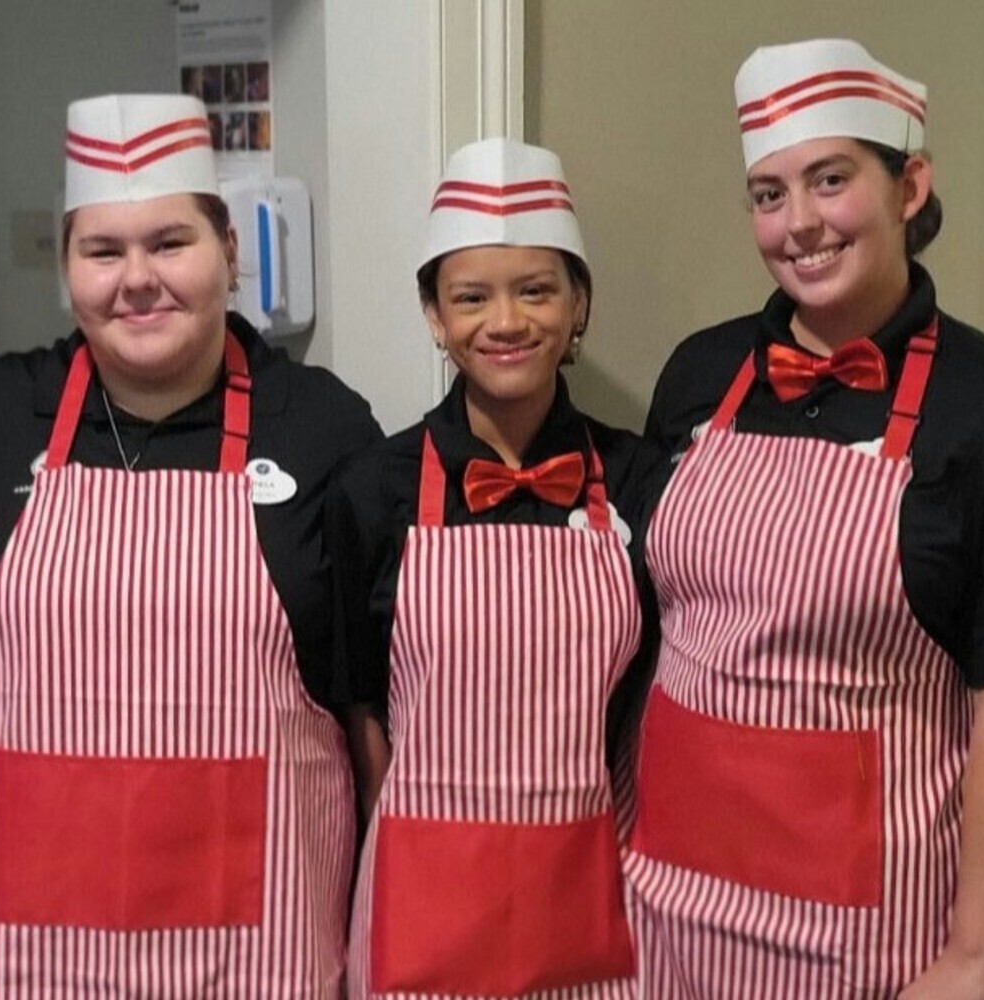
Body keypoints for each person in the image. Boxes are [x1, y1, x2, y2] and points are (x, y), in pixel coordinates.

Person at [627, 39, 984, 998]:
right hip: (673, 907)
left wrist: (971, 954)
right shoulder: (700, 376)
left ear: (910, 186)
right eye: (769, 193)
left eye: (831, 181)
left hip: (879, 935)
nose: (800, 224)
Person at [0, 93, 381, 996]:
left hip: (260, 942)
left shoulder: (324, 424)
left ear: (229, 252)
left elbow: (369, 696)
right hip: (25, 950)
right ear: (67, 270)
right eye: (103, 251)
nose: (138, 278)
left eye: (170, 242)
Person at [328, 137, 664, 999]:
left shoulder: (638, 480)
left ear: (579, 303)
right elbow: (359, 706)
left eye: (537, 290)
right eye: (471, 296)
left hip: (593, 891)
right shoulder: (374, 489)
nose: (505, 322)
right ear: (435, 315)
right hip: (419, 907)